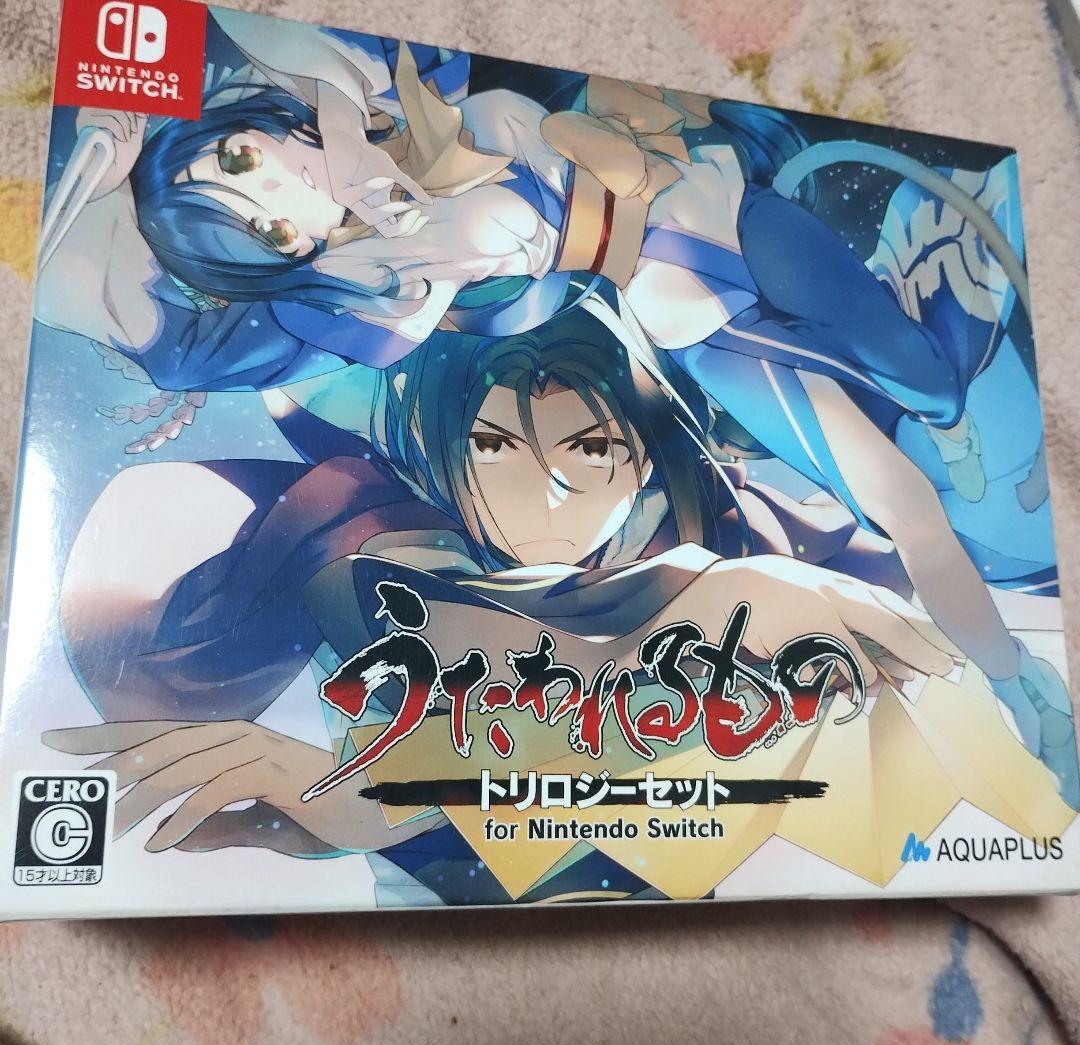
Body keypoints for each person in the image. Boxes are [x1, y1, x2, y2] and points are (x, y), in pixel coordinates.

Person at [35, 10, 1075, 803]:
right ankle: (1022, 688)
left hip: (715, 208)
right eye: (270, 231)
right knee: (899, 498)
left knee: (922, 378)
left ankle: (952, 411)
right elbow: (98, 307)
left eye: (242, 162)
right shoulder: (367, 291)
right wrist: (92, 191)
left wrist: (123, 143)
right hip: (685, 308)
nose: (289, 191)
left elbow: (257, 54)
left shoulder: (364, 90)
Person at [47, 299, 960, 903]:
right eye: (496, 448)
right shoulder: (381, 545)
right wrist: (336, 812)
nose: (547, 494)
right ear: (448, 449)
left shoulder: (727, 536)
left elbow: (912, 605)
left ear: (641, 459)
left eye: (590, 451)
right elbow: (473, 721)